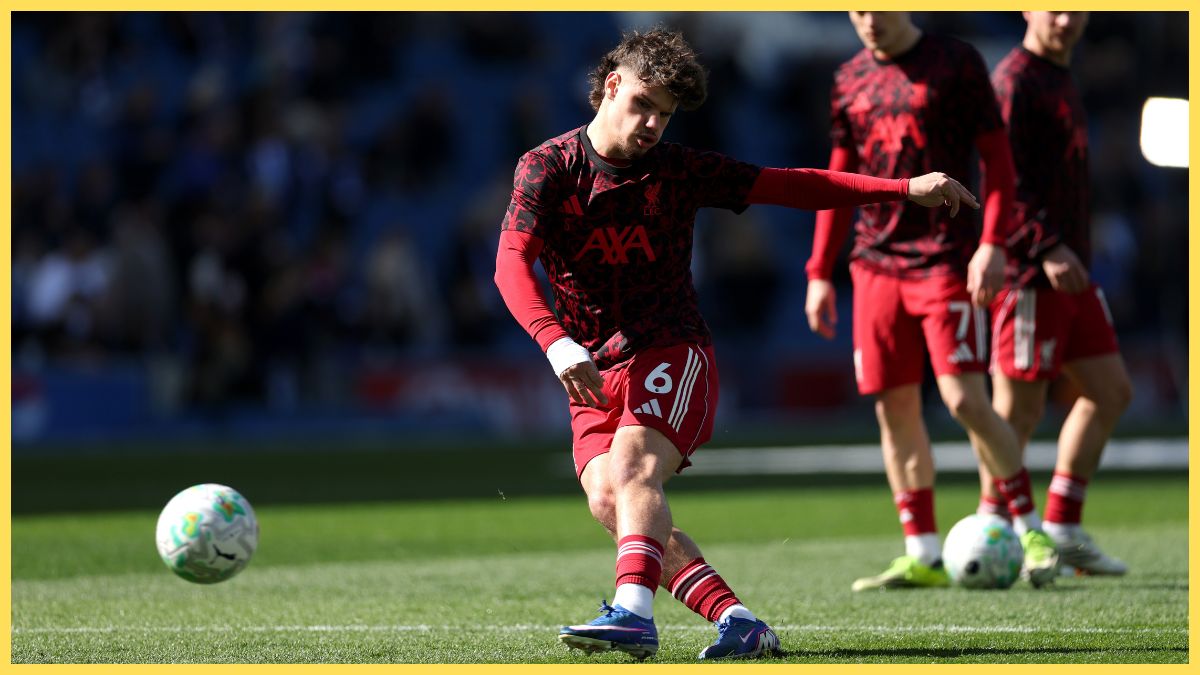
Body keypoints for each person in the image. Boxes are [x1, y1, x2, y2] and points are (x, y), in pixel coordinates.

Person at [494, 27, 980, 661]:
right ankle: (739, 621)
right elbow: (510, 265)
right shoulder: (547, 167)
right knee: (614, 501)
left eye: (664, 116)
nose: (652, 125)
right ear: (610, 86)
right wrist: (557, 342)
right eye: (643, 105)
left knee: (635, 467)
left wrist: (903, 188)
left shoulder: (679, 171)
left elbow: (793, 184)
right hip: (588, 365)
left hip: (670, 349)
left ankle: (633, 614)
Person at [802, 11, 1060, 592]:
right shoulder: (847, 78)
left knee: (964, 399)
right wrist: (819, 270)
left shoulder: (957, 61)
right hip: (874, 265)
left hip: (946, 257)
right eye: (856, 11)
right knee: (892, 409)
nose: (867, 21)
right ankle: (921, 551)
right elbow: (838, 176)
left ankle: (1029, 527)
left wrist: (992, 242)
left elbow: (998, 160)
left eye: (878, 9)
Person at [976, 11, 1132, 576]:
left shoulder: (1062, 75)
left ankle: (1063, 526)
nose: (1065, 19)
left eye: (1077, 8)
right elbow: (999, 179)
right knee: (1015, 413)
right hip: (1031, 273)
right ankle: (994, 530)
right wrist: (1042, 245)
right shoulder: (1014, 81)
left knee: (1110, 390)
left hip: (1073, 270)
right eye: (1052, 7)